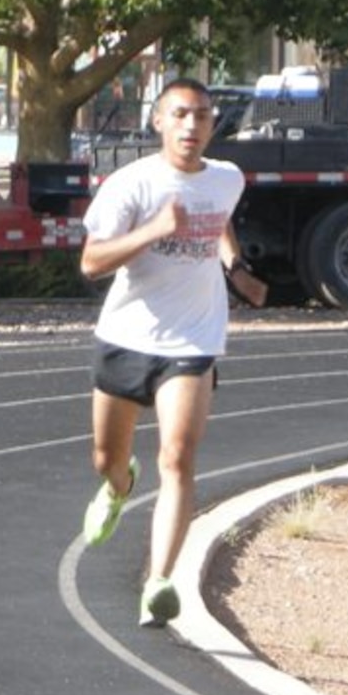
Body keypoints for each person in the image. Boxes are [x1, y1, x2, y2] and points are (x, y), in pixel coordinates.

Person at [77, 76, 266, 626]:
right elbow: (92, 263)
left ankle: (158, 582)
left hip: (194, 339)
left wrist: (233, 264)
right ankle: (118, 485)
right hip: (126, 336)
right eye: (180, 115)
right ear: (158, 121)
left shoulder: (228, 178)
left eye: (202, 116)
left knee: (178, 457)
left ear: (213, 125)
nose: (191, 125)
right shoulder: (129, 185)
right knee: (106, 459)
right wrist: (154, 230)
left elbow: (219, 218)